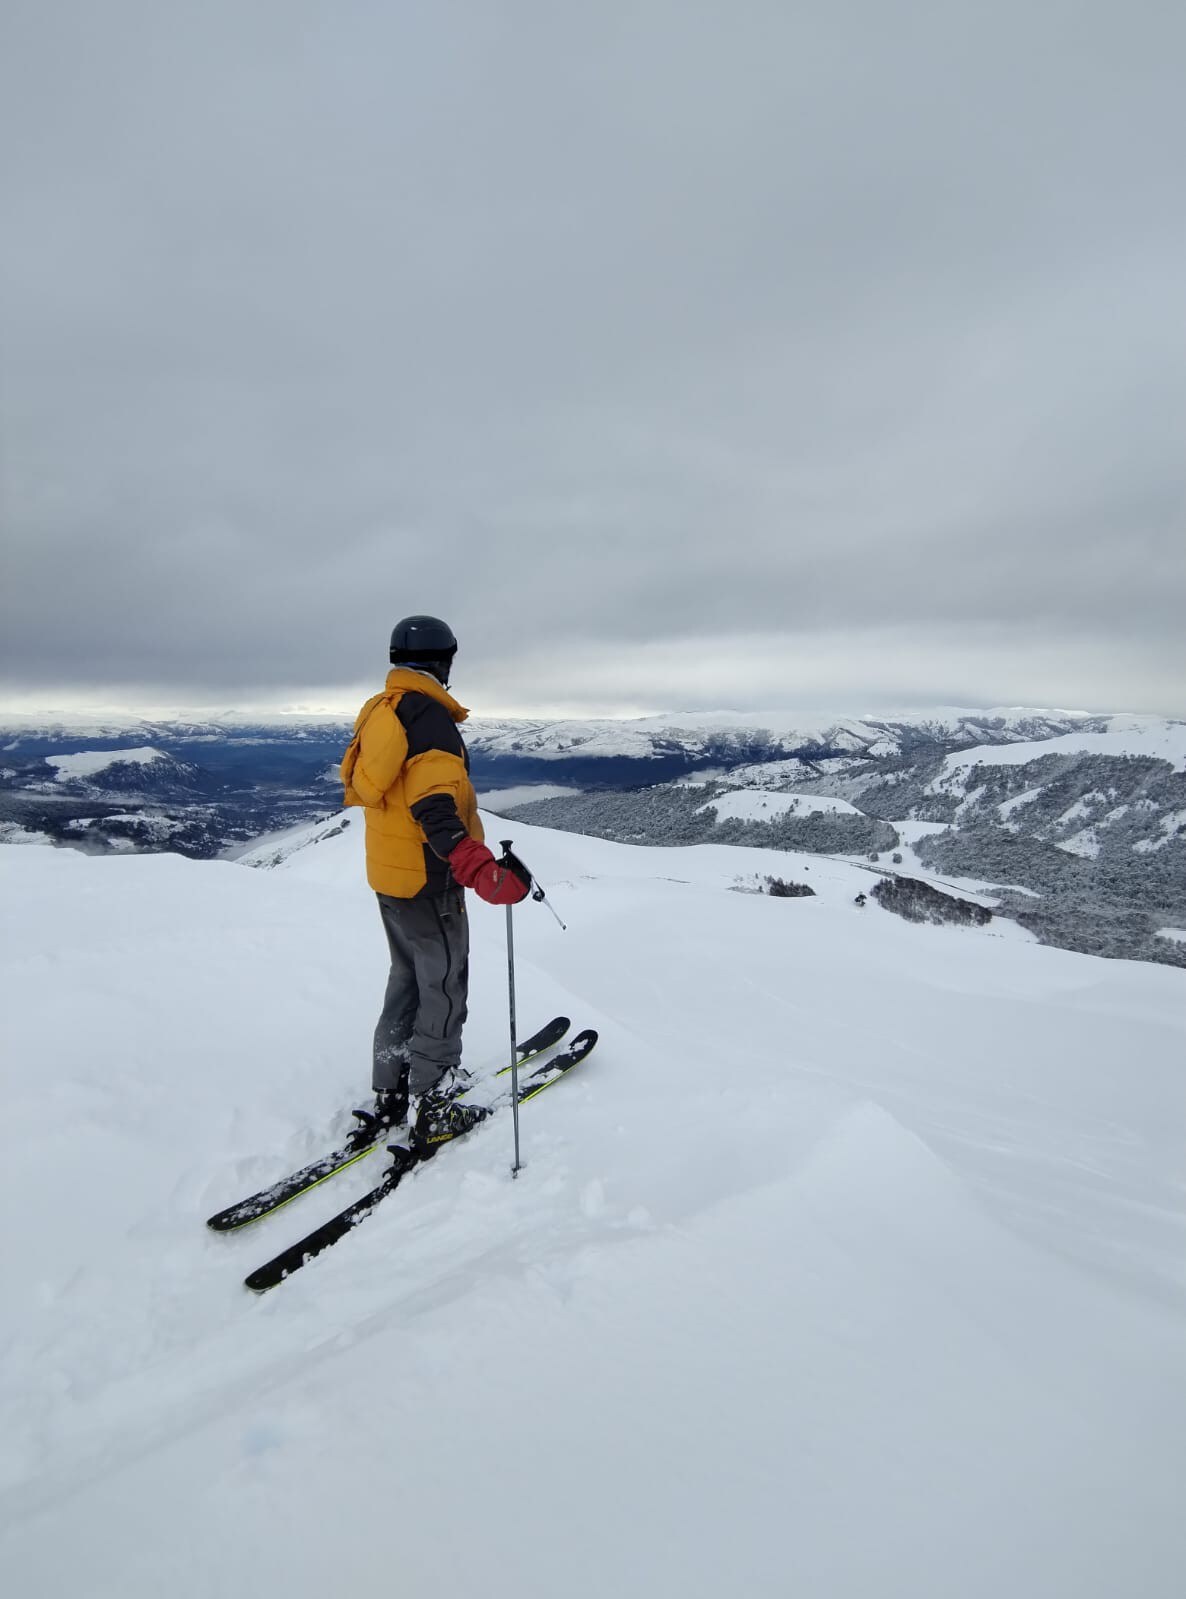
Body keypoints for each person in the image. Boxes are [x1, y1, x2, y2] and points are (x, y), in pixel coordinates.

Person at [341, 615, 530, 1152]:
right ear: (444, 660)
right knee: (444, 986)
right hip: (428, 883)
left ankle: (392, 1087)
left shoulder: (383, 710)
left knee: (407, 978)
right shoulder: (430, 721)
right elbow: (434, 810)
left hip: (389, 876)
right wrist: (482, 872)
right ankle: (434, 1101)